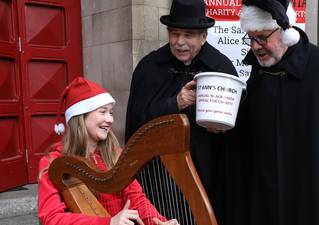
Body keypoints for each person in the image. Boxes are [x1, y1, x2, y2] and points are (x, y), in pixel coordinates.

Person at [224, 0, 319, 225]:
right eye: (250, 38)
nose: (256, 46)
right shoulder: (258, 76)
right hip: (266, 202)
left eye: (262, 37)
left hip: (310, 199)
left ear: (284, 31)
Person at [125, 0, 237, 223]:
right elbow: (135, 124)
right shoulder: (150, 68)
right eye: (174, 33)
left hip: (207, 174)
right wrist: (174, 103)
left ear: (203, 36)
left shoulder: (221, 68)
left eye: (188, 35)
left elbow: (238, 127)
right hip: (159, 179)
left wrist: (223, 129)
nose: (179, 42)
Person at [38, 77, 179, 225]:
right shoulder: (53, 163)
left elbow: (136, 198)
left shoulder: (115, 154)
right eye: (103, 112)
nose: (110, 119)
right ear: (80, 117)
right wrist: (108, 222)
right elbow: (51, 218)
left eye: (111, 113)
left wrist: (159, 221)